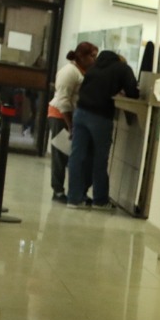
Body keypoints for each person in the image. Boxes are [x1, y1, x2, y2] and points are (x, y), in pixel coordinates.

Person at [67, 48, 138, 210]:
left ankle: (74, 199)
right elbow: (133, 92)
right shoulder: (123, 68)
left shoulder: (94, 66)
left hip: (80, 112)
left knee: (76, 156)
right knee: (99, 159)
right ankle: (100, 200)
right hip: (100, 116)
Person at [47, 43, 97, 202]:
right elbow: (63, 100)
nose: (94, 59)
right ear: (81, 56)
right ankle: (58, 191)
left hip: (74, 117)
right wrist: (70, 126)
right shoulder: (69, 72)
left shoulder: (83, 71)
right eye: (92, 56)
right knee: (60, 155)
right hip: (60, 116)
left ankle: (77, 191)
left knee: (76, 156)